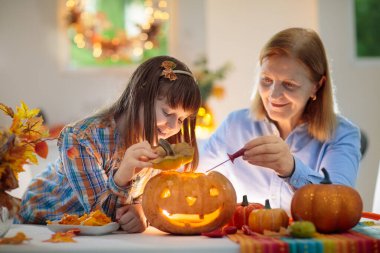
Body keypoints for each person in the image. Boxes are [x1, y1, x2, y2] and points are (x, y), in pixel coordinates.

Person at [16, 56, 201, 233]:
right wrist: (125, 172)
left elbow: (159, 201)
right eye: (167, 112)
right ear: (140, 94)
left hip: (91, 236)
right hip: (37, 225)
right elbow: (99, 217)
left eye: (182, 119)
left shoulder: (163, 147)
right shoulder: (81, 137)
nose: (172, 126)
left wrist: (142, 212)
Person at [198, 27, 361, 214]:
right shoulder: (235, 124)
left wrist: (292, 169)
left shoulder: (342, 134)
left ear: (317, 86)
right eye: (266, 80)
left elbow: (339, 207)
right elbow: (193, 178)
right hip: (243, 241)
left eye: (289, 85)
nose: (273, 95)